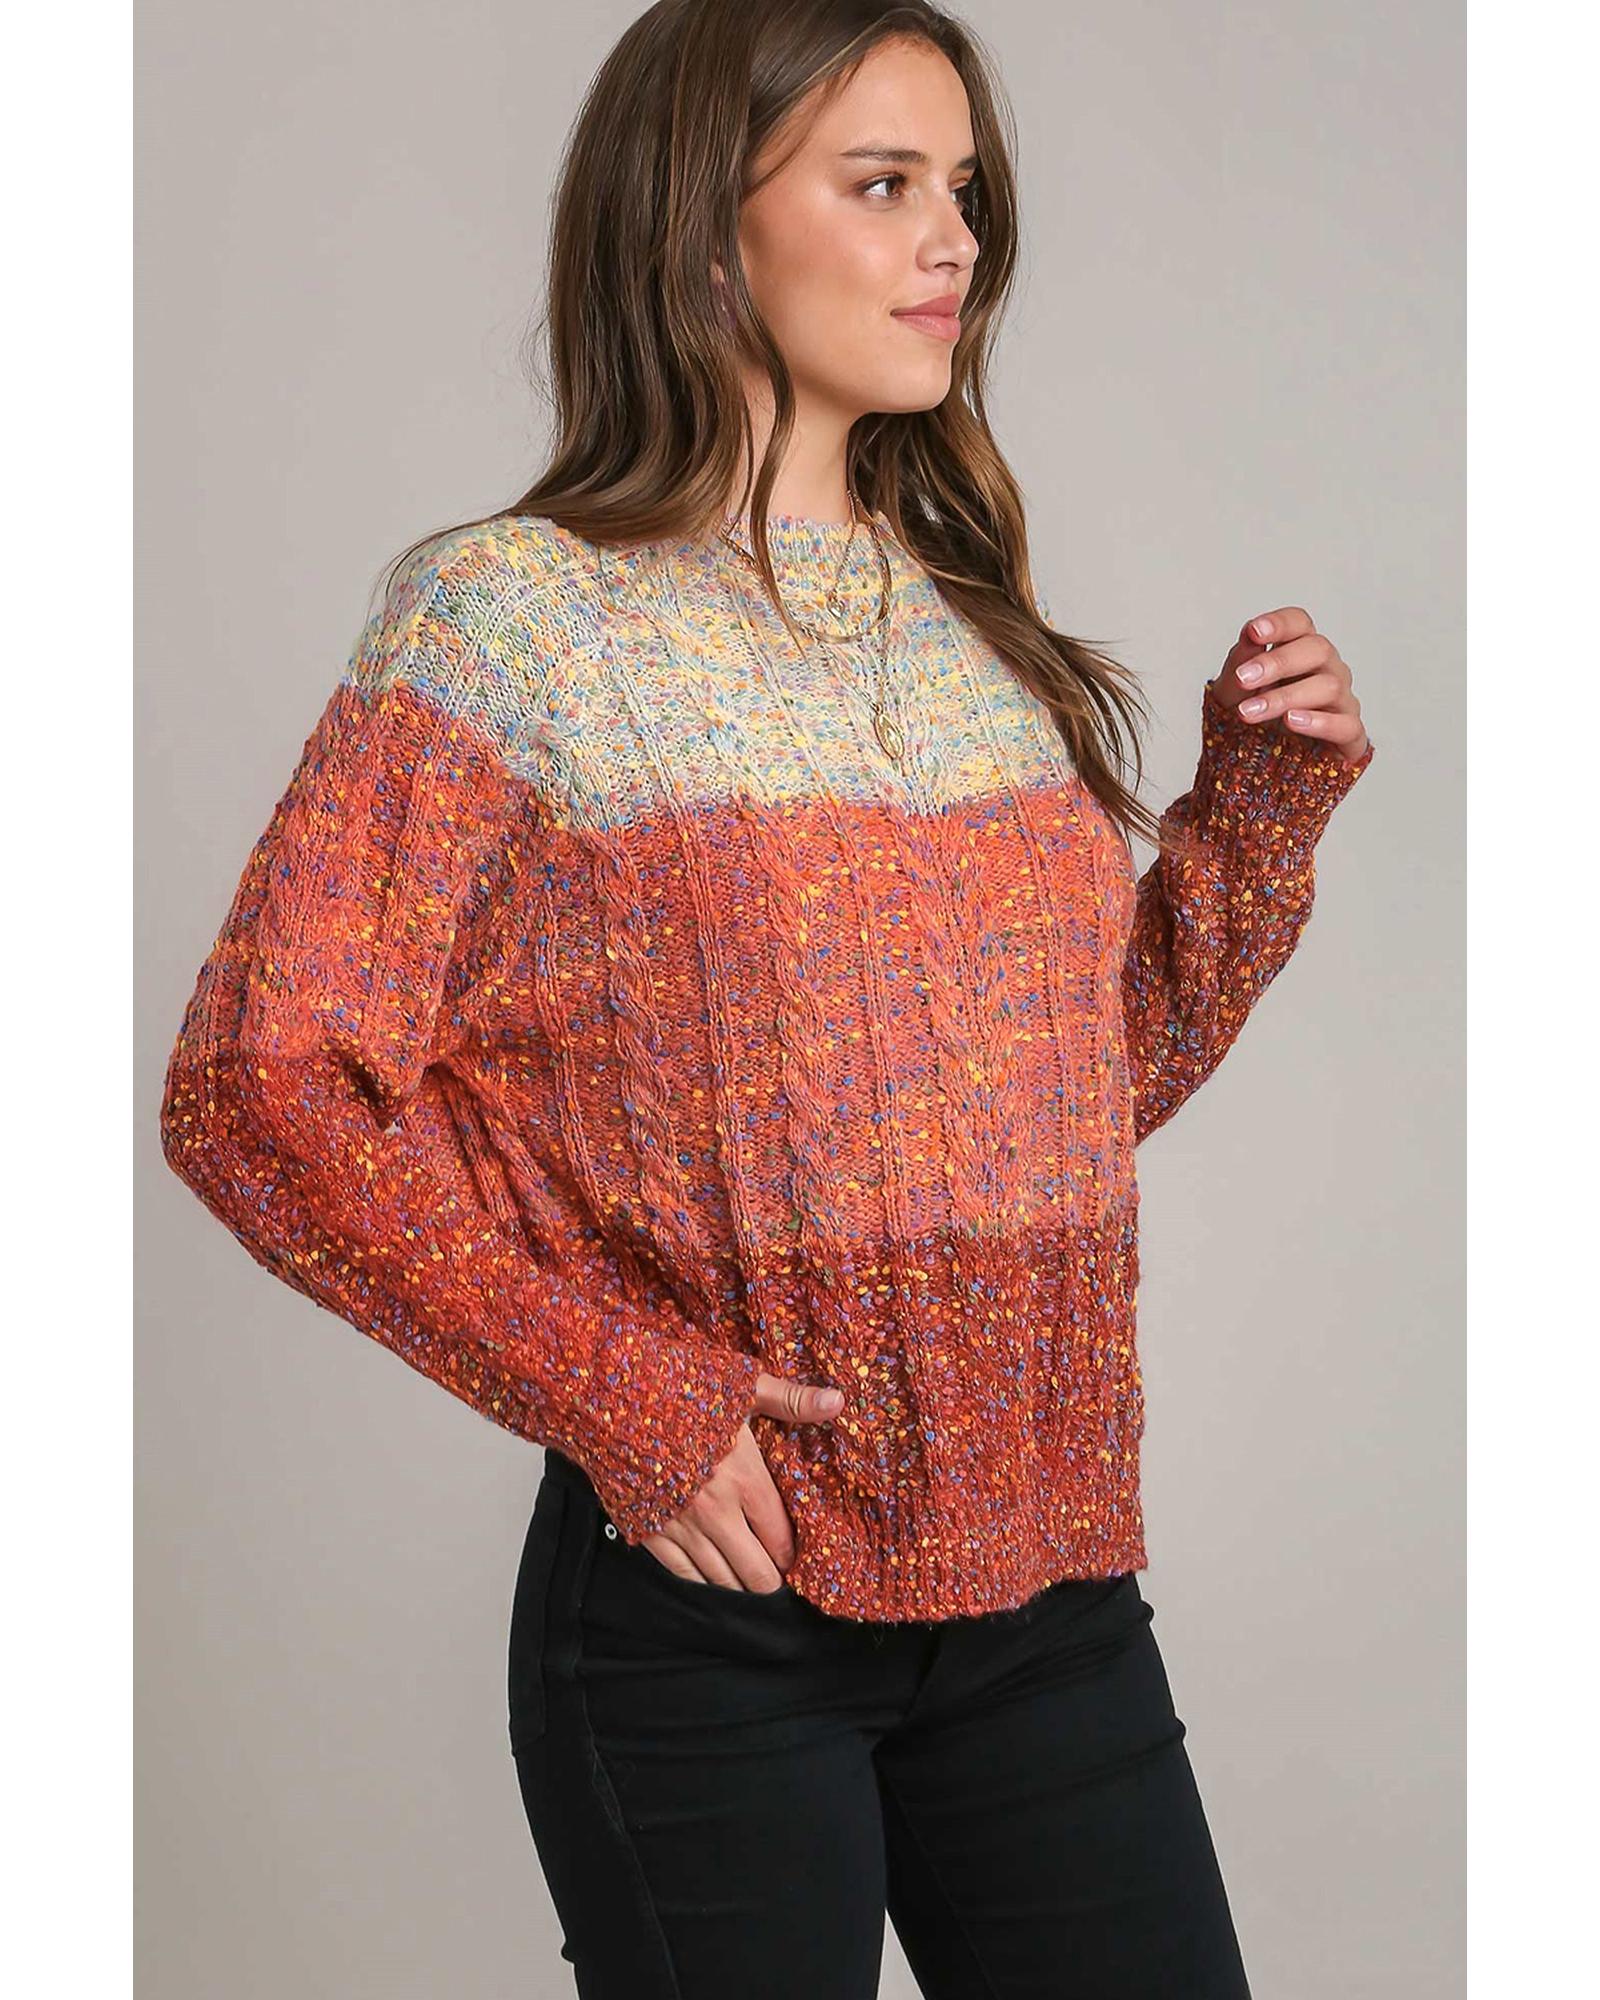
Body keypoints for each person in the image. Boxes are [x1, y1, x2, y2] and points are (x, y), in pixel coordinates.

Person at [158, 2, 1375, 1993]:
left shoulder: (966, 623)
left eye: (961, 188)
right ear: (701, 230)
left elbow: (1061, 1097)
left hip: (1046, 1591)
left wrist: (1251, 819)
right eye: (881, 184)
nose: (953, 239)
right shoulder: (514, 619)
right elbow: (254, 1086)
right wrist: (615, 1390)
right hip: (712, 1630)